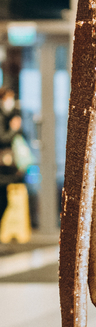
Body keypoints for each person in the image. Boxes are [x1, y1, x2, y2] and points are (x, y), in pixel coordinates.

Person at [0, 87, 23, 226]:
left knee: (4, 200)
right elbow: (3, 138)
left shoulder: (9, 115)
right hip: (2, 167)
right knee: (3, 200)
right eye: (8, 98)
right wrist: (14, 129)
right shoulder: (2, 117)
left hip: (5, 168)